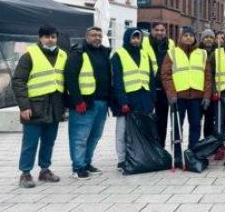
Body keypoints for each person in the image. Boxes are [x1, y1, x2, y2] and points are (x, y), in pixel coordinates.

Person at [12, 25, 64, 188]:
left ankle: (45, 170)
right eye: (47, 36)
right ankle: (25, 173)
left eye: (53, 37)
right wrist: (24, 106)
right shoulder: (29, 56)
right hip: (34, 106)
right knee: (30, 142)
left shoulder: (62, 55)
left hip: (54, 105)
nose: (51, 39)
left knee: (49, 141)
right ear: (40, 38)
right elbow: (18, 81)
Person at [160, 26, 213, 165]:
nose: (188, 37)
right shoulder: (172, 53)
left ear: (195, 38)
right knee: (177, 126)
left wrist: (207, 96)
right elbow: (165, 75)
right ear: (181, 37)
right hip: (178, 97)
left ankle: (193, 152)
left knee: (195, 125)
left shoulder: (202, 54)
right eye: (185, 35)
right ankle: (177, 155)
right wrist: (171, 94)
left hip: (197, 96)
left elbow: (208, 77)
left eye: (191, 35)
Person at [64, 26, 111, 180]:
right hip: (84, 103)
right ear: (86, 36)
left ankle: (86, 162)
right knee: (80, 137)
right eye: (93, 35)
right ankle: (78, 167)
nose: (97, 38)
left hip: (101, 102)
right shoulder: (78, 53)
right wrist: (77, 100)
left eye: (99, 35)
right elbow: (70, 78)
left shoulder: (104, 53)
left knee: (94, 136)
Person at [111, 28, 156, 171]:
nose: (136, 40)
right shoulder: (119, 55)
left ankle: (139, 156)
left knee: (142, 128)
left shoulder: (144, 54)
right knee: (123, 130)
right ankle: (122, 159)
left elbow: (150, 79)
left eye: (138, 38)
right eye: (133, 38)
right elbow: (117, 80)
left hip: (143, 97)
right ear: (127, 39)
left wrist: (151, 98)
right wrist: (122, 101)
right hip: (127, 99)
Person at [141, 22, 176, 147]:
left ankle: (161, 146)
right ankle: (149, 146)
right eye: (157, 30)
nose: (160, 32)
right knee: (147, 118)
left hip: (164, 88)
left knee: (162, 120)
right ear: (152, 30)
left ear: (165, 31)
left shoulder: (171, 44)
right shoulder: (144, 43)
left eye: (162, 30)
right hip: (148, 87)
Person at [199, 29, 219, 138]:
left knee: (210, 120)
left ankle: (208, 142)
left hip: (212, 91)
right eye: (206, 37)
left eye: (211, 37)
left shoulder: (218, 52)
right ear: (202, 39)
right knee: (197, 121)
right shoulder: (197, 52)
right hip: (199, 90)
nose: (208, 39)